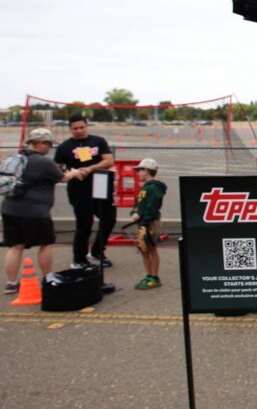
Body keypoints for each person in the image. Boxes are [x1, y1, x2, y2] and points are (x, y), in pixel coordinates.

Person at [3, 129, 83, 293]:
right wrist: (74, 172)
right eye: (48, 144)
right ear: (41, 144)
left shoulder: (17, 158)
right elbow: (63, 177)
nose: (49, 148)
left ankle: (11, 283)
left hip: (10, 208)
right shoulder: (42, 162)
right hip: (35, 212)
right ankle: (47, 277)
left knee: (15, 246)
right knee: (46, 244)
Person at [53, 115, 117, 268]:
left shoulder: (98, 141)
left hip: (101, 186)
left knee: (109, 218)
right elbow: (56, 170)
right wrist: (71, 173)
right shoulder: (64, 147)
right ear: (70, 129)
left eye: (82, 127)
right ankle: (79, 259)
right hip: (79, 191)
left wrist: (90, 168)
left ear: (87, 126)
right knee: (84, 225)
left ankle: (96, 251)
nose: (79, 131)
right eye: (75, 128)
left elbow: (109, 160)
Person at [130, 158, 167, 290]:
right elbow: (139, 203)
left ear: (146, 171)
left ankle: (154, 277)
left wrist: (144, 222)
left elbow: (152, 208)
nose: (137, 173)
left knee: (151, 249)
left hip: (150, 223)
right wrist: (134, 212)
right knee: (144, 249)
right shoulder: (144, 187)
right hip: (143, 222)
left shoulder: (154, 188)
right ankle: (149, 275)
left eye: (139, 170)